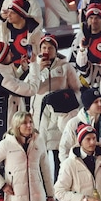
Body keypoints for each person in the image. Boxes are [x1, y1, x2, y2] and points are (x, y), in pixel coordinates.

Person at [0, 0, 43, 201]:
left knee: (3, 169)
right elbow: (31, 89)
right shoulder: (3, 79)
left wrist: (23, 67)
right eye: (9, 56)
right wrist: (35, 66)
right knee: (2, 172)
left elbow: (15, 76)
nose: (11, 57)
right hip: (4, 130)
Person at [30, 34, 80, 179]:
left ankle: (60, 187)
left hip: (59, 119)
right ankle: (43, 188)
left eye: (50, 48)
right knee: (39, 156)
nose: (47, 50)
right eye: (44, 47)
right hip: (39, 118)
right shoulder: (34, 65)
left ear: (55, 49)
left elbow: (77, 90)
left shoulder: (65, 67)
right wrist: (37, 70)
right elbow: (28, 87)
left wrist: (65, 101)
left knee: (59, 156)